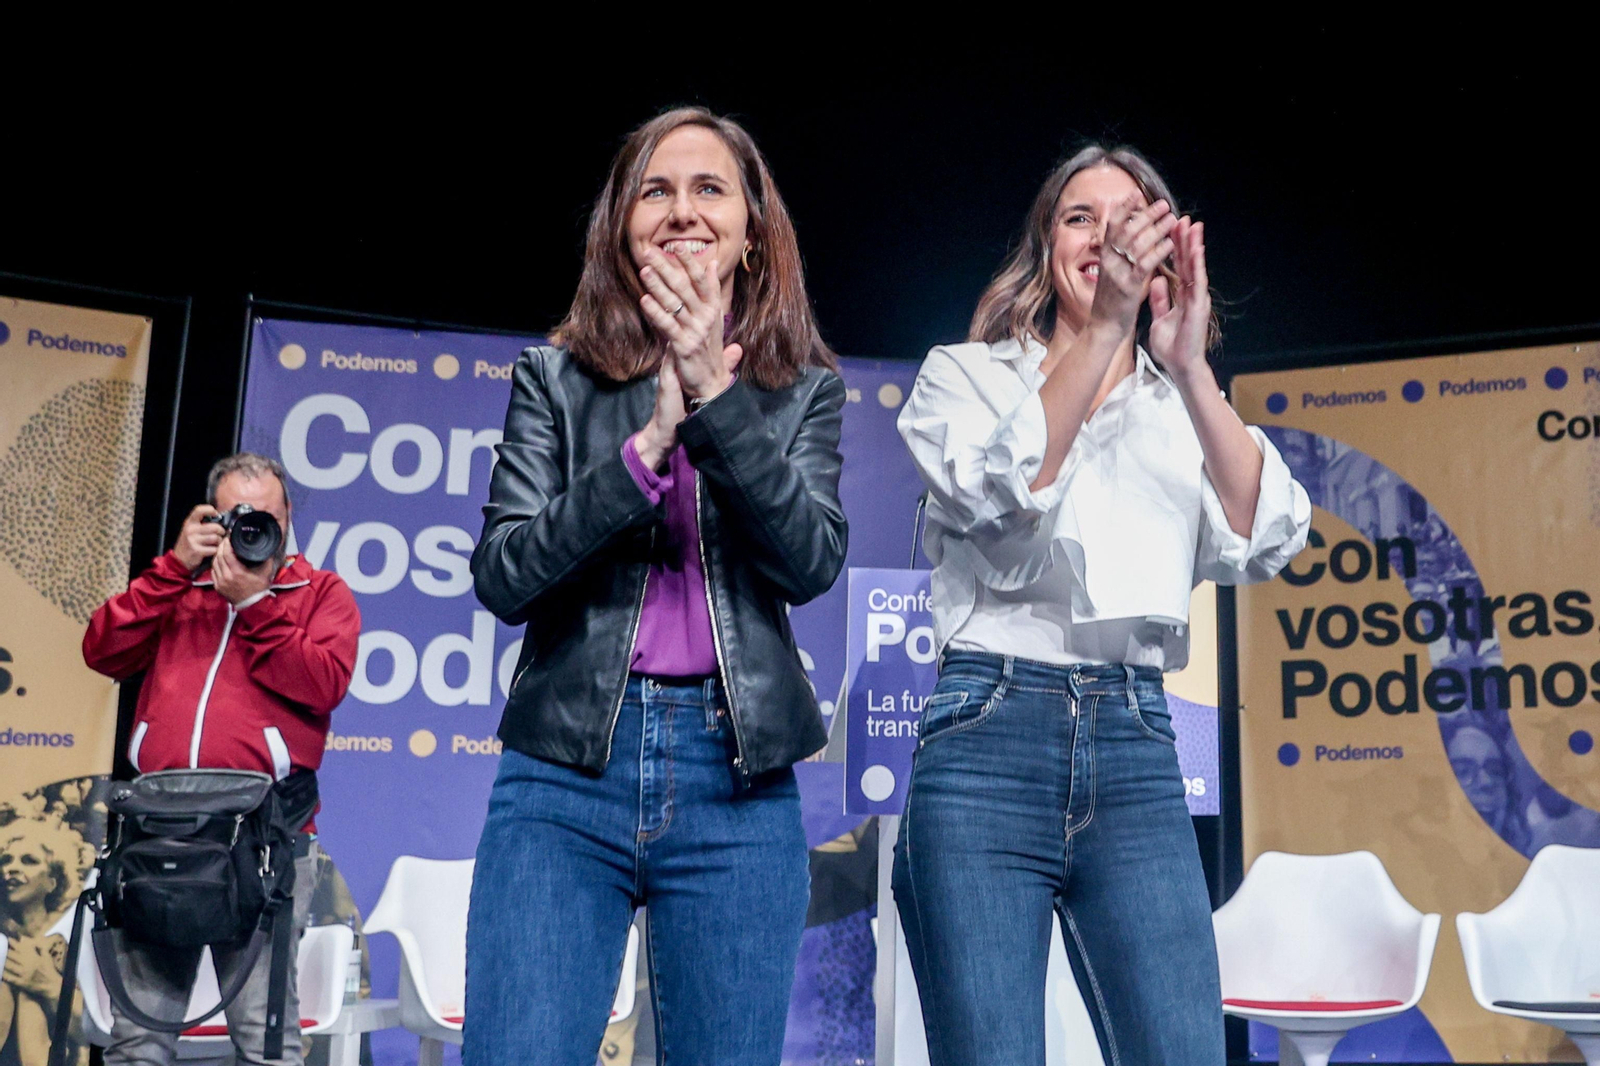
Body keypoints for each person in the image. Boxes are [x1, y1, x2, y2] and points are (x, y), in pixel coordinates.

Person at [894, 144, 1310, 1065]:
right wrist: (1099, 336)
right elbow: (1004, 500)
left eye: (1133, 218)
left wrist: (1193, 368)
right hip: (986, 739)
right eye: (1082, 217)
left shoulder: (1179, 407)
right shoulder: (965, 377)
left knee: (1182, 1048)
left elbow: (1267, 534)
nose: (1107, 235)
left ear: (1164, 252)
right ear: (1049, 250)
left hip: (1135, 744)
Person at [467, 105, 846, 1065]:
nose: (683, 210)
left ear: (751, 233)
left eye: (710, 188)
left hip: (736, 780)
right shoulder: (552, 376)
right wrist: (647, 448)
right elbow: (506, 574)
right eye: (657, 190)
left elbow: (809, 560)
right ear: (621, 226)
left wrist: (716, 406)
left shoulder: (802, 389)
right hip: (564, 777)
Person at [81, 453, 360, 1066]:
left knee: (264, 1036)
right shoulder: (178, 586)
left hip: (265, 835)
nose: (253, 529)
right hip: (161, 828)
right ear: (211, 518)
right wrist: (175, 567)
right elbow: (102, 650)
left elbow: (323, 684)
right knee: (138, 1039)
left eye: (267, 515)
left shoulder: (322, 593)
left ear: (288, 517)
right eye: (236, 516)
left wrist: (257, 605)